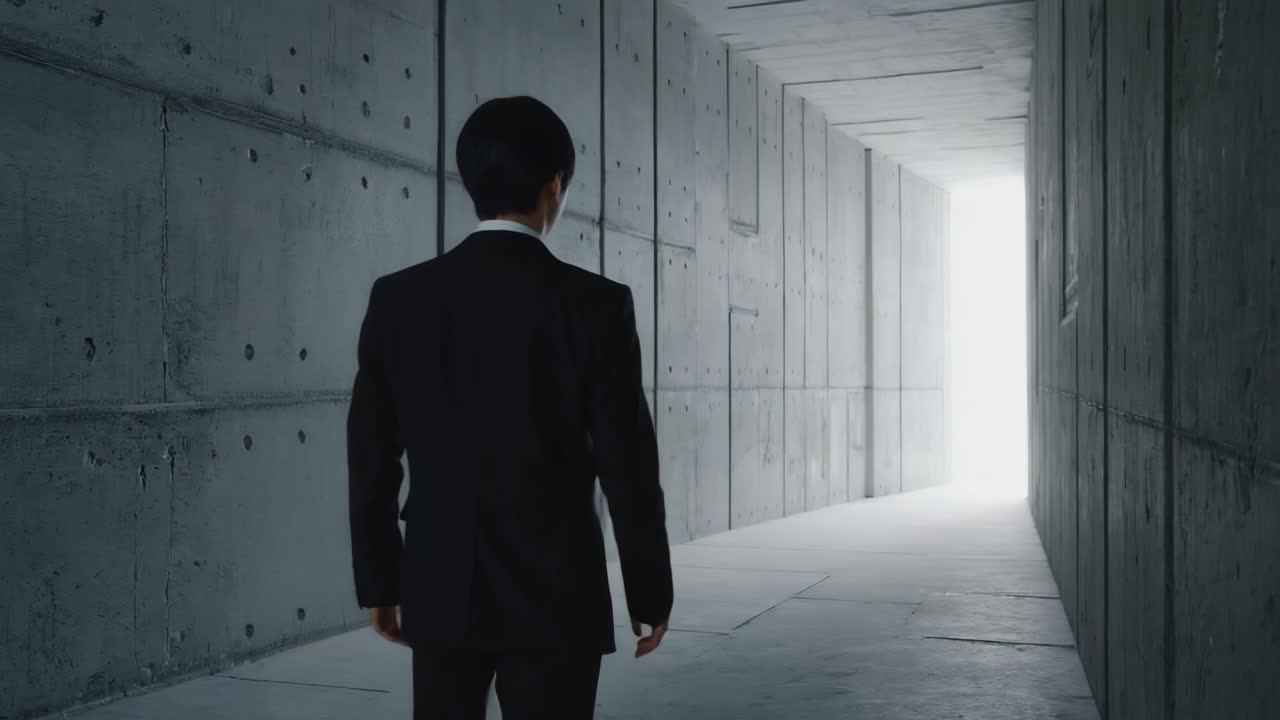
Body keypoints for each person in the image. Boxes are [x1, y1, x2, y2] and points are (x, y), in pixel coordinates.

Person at [346, 95, 674, 720]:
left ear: (470, 182)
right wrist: (649, 592)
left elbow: (372, 456)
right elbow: (627, 465)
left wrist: (381, 583)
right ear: (555, 185)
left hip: (441, 582)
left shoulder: (399, 300)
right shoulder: (596, 305)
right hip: (556, 590)